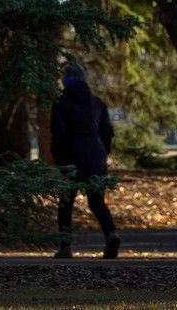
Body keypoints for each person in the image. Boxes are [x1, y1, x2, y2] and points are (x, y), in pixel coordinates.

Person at [50, 64, 120, 259]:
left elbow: (59, 134)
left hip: (71, 156)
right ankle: (111, 235)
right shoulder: (97, 102)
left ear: (67, 80)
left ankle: (65, 246)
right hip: (95, 155)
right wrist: (103, 155)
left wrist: (59, 159)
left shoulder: (61, 103)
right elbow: (107, 132)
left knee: (66, 203)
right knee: (97, 202)